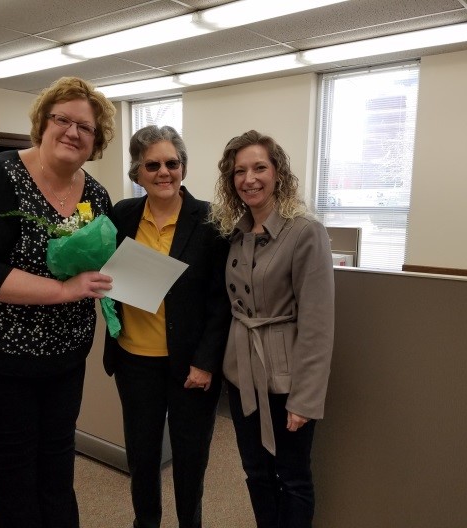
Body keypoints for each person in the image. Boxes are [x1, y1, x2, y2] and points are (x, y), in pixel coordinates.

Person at [0, 76, 116, 528]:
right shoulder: (0, 177)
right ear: (43, 123)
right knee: (15, 466)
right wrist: (63, 291)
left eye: (86, 127)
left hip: (65, 355)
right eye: (63, 120)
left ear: (96, 140)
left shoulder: (96, 195)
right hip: (0, 355)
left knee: (58, 460)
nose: (73, 132)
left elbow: (98, 260)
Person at [103, 125, 231, 528]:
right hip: (133, 361)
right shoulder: (122, 215)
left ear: (183, 168)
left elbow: (221, 301)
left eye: (172, 163)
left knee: (190, 460)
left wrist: (206, 362)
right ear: (137, 173)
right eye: (152, 165)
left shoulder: (211, 221)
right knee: (141, 458)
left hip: (191, 366)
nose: (164, 172)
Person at [209, 130, 335, 528]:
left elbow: (318, 323)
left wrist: (305, 399)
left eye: (259, 167)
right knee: (256, 472)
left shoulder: (305, 231)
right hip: (241, 373)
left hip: (287, 379)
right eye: (239, 171)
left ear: (277, 172)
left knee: (293, 478)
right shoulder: (235, 232)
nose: (249, 179)